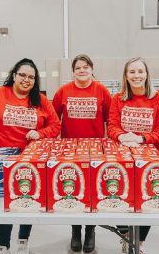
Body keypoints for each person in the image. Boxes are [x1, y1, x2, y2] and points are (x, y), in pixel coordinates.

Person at [0, 58, 61, 254]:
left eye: (31, 77)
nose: (26, 80)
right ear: (14, 75)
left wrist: (40, 133)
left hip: (29, 161)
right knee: (3, 205)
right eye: (22, 75)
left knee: (26, 202)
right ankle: (3, 245)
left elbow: (56, 125)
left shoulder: (40, 99)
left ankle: (23, 241)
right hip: (1, 159)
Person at [107, 57, 159, 254]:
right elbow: (111, 127)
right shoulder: (118, 98)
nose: (136, 76)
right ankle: (126, 234)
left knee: (147, 203)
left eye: (140, 71)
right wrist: (122, 136)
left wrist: (141, 138)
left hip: (151, 160)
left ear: (147, 74)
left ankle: (139, 242)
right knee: (118, 197)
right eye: (132, 72)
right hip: (122, 159)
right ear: (126, 76)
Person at [52, 54, 112, 253]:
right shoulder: (63, 91)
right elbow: (53, 120)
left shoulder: (101, 90)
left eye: (86, 67)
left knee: (92, 190)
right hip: (69, 150)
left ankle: (90, 231)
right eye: (78, 68)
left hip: (95, 149)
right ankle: (75, 230)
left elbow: (111, 120)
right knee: (73, 188)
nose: (82, 70)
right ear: (73, 71)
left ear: (92, 69)